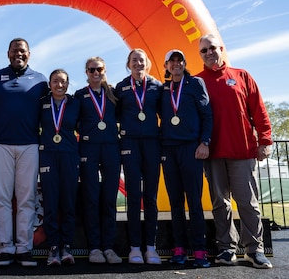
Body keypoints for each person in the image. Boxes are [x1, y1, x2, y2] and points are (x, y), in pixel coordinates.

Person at [196, 34, 273, 269]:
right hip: (213, 153)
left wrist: (265, 140)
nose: (209, 53)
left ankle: (254, 250)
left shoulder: (242, 76)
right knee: (221, 203)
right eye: (204, 50)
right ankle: (226, 249)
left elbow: (258, 110)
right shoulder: (197, 82)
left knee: (248, 203)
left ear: (221, 49)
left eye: (212, 48)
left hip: (242, 151)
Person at [0, 38, 48, 267]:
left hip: (30, 145)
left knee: (27, 199)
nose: (18, 54)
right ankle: (5, 248)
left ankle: (24, 248)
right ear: (8, 53)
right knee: (1, 199)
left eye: (22, 51)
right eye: (14, 51)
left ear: (29, 54)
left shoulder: (41, 80)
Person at [160, 49, 212, 268]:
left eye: (179, 60)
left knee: (194, 201)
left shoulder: (196, 83)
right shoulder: (162, 89)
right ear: (166, 67)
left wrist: (204, 142)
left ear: (184, 63)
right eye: (171, 62)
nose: (176, 64)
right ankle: (179, 248)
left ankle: (200, 250)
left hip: (191, 148)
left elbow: (207, 114)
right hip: (168, 150)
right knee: (175, 203)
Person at [114, 48, 163, 265]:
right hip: (130, 144)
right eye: (134, 60)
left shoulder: (157, 87)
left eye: (141, 60)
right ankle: (135, 247)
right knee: (133, 197)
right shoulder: (121, 87)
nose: (138, 64)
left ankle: (151, 247)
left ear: (147, 64)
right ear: (128, 64)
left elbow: (166, 112)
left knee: (150, 197)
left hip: (152, 144)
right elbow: (114, 115)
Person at [74, 57, 122, 265]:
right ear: (86, 72)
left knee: (109, 199)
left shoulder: (113, 93)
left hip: (111, 148)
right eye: (92, 69)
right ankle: (94, 247)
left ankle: (109, 247)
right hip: (89, 149)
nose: (96, 73)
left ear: (104, 70)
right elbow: (73, 121)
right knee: (91, 199)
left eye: (99, 69)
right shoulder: (80, 95)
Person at [39, 69, 80, 266]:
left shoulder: (75, 103)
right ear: (50, 84)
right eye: (55, 81)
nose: (59, 85)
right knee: (51, 203)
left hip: (69, 155)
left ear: (68, 84)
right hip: (47, 155)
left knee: (68, 203)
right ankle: (53, 247)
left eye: (63, 81)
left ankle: (67, 246)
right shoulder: (42, 103)